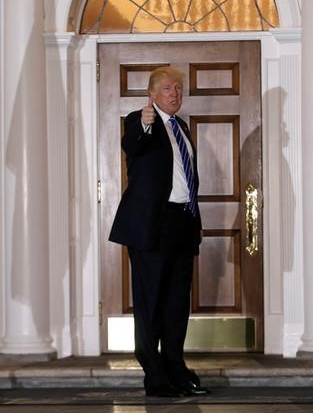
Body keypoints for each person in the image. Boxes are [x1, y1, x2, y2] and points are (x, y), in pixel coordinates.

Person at [109, 66, 209, 398]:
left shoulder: (181, 126)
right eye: (168, 88)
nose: (175, 94)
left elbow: (185, 177)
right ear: (152, 95)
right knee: (150, 304)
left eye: (179, 88)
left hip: (182, 224)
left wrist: (194, 223)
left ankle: (177, 370)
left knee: (177, 305)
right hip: (152, 226)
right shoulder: (140, 122)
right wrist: (145, 123)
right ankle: (154, 376)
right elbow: (132, 145)